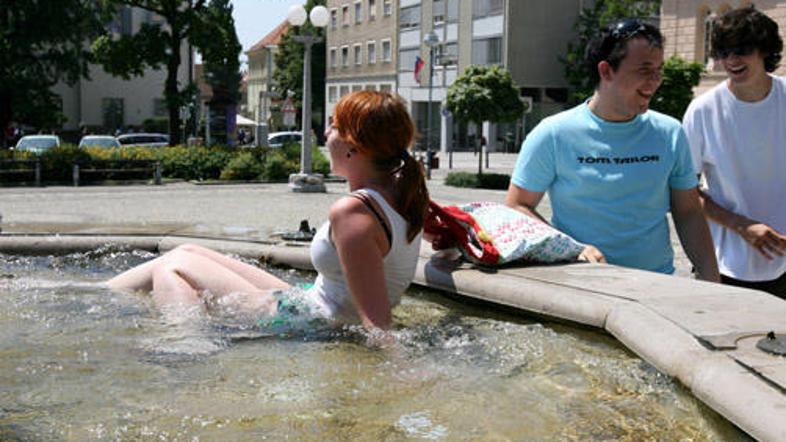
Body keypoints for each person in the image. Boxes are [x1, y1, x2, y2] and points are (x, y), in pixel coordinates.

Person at [108, 91, 430, 330]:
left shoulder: (354, 212)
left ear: (353, 147)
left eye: (333, 126)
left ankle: (187, 345)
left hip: (305, 321)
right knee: (188, 250)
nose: (325, 133)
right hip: (310, 302)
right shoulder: (400, 194)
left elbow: (377, 325)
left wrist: (397, 375)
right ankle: (92, 293)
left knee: (173, 268)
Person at [505, 19, 719, 281]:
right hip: (580, 283)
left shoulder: (670, 133)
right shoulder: (553, 134)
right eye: (644, 69)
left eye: (659, 70)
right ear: (606, 71)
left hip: (656, 285)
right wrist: (569, 248)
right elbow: (517, 206)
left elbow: (688, 213)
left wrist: (712, 280)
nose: (655, 81)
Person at [682, 7, 786, 297]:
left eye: (741, 50)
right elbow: (684, 193)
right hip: (723, 266)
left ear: (765, 50)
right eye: (723, 52)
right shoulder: (702, 111)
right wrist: (742, 226)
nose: (731, 60)